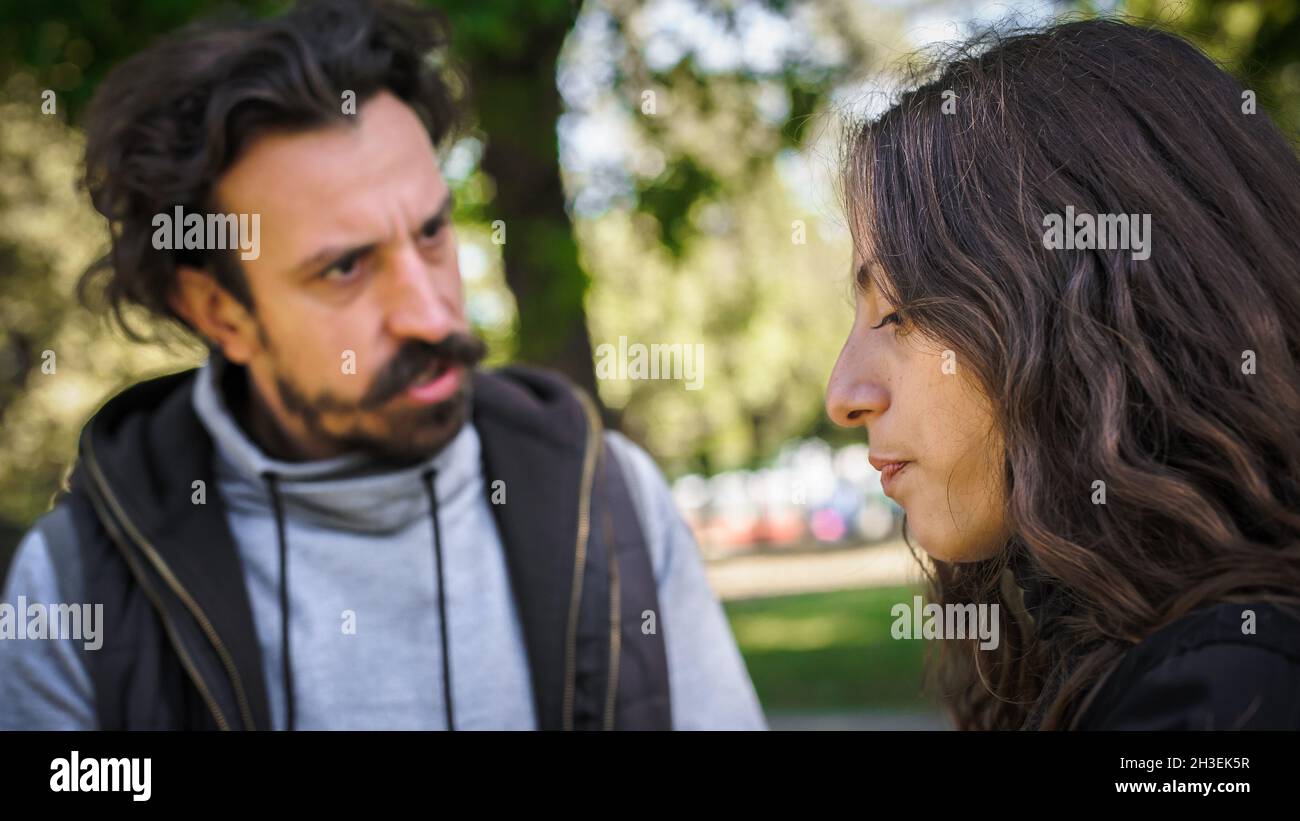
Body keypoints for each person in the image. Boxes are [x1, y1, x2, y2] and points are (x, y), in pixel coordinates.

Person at [0, 0, 764, 731]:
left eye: (432, 232)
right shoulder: (76, 589)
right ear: (218, 311)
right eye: (344, 269)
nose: (430, 313)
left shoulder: (610, 502)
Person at [826, 18, 1300, 730]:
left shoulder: (1218, 704)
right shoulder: (1171, 663)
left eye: (902, 311)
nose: (844, 395)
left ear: (1095, 312)